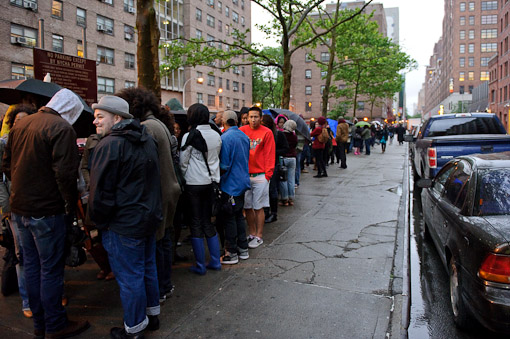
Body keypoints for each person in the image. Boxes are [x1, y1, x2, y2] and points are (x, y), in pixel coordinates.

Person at [2, 89, 90, 339]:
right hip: (46, 211)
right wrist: (69, 205)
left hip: (20, 208)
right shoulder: (61, 128)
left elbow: (7, 164)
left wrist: (23, 185)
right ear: (70, 109)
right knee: (50, 269)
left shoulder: (22, 124)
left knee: (30, 265)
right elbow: (65, 174)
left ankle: (40, 323)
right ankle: (55, 325)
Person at [89, 95, 162, 338]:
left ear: (117, 118)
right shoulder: (146, 139)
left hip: (124, 225)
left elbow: (100, 193)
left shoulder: (110, 145)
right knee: (147, 269)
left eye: (100, 117)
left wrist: (99, 222)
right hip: (146, 219)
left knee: (131, 277)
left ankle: (134, 328)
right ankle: (151, 317)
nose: (95, 122)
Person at [116, 87, 182, 303]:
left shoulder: (147, 127)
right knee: (163, 240)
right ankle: (165, 285)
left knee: (158, 242)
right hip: (169, 189)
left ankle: (161, 289)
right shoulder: (157, 124)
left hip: (159, 192)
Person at [0, 104, 36, 318]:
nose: (19, 125)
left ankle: (48, 295)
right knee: (22, 254)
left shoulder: (38, 141)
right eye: (16, 122)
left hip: (39, 206)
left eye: (24, 121)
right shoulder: (4, 145)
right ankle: (27, 300)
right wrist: (7, 207)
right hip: (16, 210)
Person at [180, 103, 222, 274]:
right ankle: (214, 261)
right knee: (208, 221)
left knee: (195, 223)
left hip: (193, 184)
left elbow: (183, 162)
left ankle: (200, 265)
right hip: (211, 183)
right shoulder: (216, 135)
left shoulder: (188, 136)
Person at [217, 110, 251, 264]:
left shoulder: (225, 138)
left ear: (224, 121)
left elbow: (224, 164)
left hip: (230, 185)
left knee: (230, 217)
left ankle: (231, 252)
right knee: (238, 215)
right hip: (242, 182)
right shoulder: (244, 136)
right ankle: (243, 248)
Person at [239, 106, 275, 248]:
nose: (253, 119)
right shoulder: (241, 131)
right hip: (245, 175)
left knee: (258, 207)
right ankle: (252, 233)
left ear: (261, 118)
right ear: (247, 118)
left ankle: (259, 235)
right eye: (251, 117)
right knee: (247, 206)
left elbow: (270, 154)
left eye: (256, 117)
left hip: (261, 175)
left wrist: (268, 175)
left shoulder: (267, 133)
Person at [261, 114, 288, 223]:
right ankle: (266, 211)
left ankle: (273, 213)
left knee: (272, 189)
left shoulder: (278, 134)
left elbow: (285, 148)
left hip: (273, 165)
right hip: (262, 165)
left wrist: (272, 152)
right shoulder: (261, 134)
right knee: (264, 190)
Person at [280, 120, 297, 206]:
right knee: (291, 179)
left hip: (284, 157)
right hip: (293, 158)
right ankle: (291, 198)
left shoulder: (282, 135)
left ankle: (285, 198)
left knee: (283, 179)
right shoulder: (294, 136)